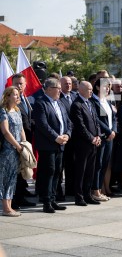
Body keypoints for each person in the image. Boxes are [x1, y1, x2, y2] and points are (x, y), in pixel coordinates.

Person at [33, 78, 71, 213]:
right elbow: (43, 125)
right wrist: (56, 137)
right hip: (47, 145)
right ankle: (46, 201)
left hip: (61, 144)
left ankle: (53, 199)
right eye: (57, 88)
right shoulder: (40, 103)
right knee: (48, 172)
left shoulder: (60, 103)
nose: (60, 90)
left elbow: (68, 122)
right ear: (49, 89)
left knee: (57, 172)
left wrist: (67, 134)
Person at [70, 81, 102, 206]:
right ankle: (79, 197)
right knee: (81, 171)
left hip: (93, 142)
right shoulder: (76, 104)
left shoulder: (91, 103)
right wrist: (91, 138)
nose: (91, 91)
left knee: (90, 170)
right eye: (89, 89)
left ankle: (88, 195)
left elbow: (96, 121)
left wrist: (98, 135)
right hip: (82, 143)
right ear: (81, 90)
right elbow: (80, 125)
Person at [10, 74, 36, 209]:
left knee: (23, 171)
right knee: (16, 173)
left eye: (21, 83)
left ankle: (21, 197)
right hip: (16, 142)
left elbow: (28, 119)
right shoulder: (11, 103)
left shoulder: (26, 99)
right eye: (16, 83)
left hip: (26, 140)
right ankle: (15, 201)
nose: (19, 86)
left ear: (25, 85)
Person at [0, 87, 26, 217]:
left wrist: (24, 144)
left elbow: (21, 129)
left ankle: (9, 206)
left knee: (12, 178)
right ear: (8, 96)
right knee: (5, 178)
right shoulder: (3, 112)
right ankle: (5, 208)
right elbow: (5, 132)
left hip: (18, 149)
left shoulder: (17, 111)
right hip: (7, 150)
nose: (17, 96)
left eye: (18, 94)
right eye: (15, 94)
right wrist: (17, 145)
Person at [90, 78, 117, 201]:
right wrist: (108, 131)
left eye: (109, 86)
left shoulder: (107, 101)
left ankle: (99, 190)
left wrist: (114, 131)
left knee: (105, 164)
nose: (107, 88)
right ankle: (95, 190)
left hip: (110, 137)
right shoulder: (94, 102)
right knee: (98, 164)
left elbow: (114, 118)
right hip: (101, 136)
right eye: (105, 86)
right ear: (97, 87)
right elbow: (97, 120)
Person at [58, 76, 78, 199]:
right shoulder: (57, 98)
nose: (68, 85)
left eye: (70, 83)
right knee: (60, 166)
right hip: (63, 137)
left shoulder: (75, 96)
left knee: (72, 164)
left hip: (75, 137)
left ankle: (70, 189)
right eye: (65, 83)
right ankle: (58, 191)